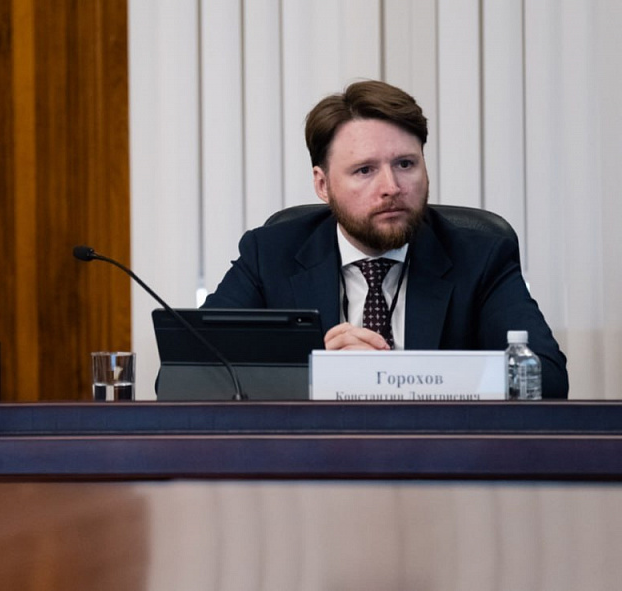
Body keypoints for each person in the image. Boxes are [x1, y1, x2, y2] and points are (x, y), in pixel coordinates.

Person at [203, 79, 568, 398]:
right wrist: (319, 376)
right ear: (322, 184)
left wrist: (394, 376)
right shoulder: (270, 255)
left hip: (436, 452)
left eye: (405, 164)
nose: (391, 187)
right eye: (365, 170)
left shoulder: (481, 258)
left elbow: (545, 378)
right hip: (314, 453)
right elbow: (192, 371)